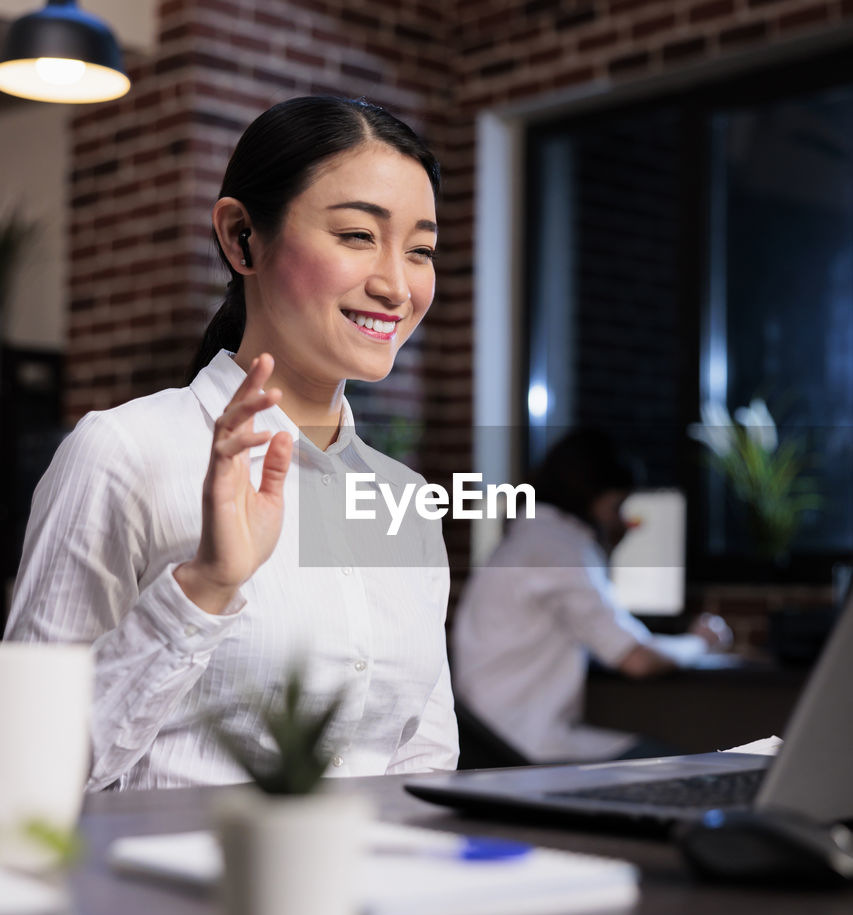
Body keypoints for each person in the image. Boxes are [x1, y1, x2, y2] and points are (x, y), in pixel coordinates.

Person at [5, 95, 459, 790]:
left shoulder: (405, 501)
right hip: (164, 895)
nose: (396, 285)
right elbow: (23, 772)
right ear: (242, 236)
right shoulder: (124, 452)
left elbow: (424, 766)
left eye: (421, 250)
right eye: (357, 236)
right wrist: (205, 586)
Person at [453, 428, 732, 763]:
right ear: (595, 497)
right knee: (673, 766)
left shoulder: (533, 537)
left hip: (492, 733)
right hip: (520, 741)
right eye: (617, 507)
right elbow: (637, 660)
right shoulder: (561, 548)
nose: (620, 522)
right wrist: (701, 641)